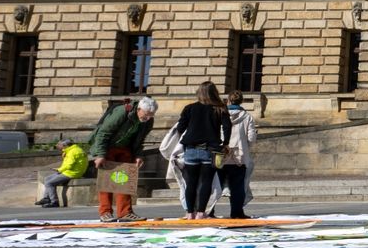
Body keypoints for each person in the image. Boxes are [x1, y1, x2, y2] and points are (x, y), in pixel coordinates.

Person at [167, 82, 232, 221]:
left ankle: (190, 213)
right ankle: (201, 213)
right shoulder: (220, 108)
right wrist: (226, 143)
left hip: (191, 148)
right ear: (214, 93)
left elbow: (180, 127)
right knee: (206, 182)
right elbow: (227, 127)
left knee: (191, 182)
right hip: (211, 149)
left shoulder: (189, 108)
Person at [85, 95, 156, 222]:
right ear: (139, 109)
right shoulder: (122, 112)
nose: (148, 118)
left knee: (125, 180)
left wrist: (138, 155)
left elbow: (140, 139)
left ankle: (125, 212)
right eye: (146, 114)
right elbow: (103, 133)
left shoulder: (148, 121)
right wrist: (100, 155)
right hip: (108, 147)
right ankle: (105, 212)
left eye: (151, 115)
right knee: (107, 181)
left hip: (126, 149)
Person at [218, 91, 258, 219]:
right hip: (239, 156)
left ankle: (209, 210)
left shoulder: (220, 115)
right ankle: (236, 212)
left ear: (228, 101)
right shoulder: (247, 116)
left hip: (221, 154)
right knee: (237, 186)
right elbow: (251, 138)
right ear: (241, 101)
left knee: (215, 184)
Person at [34, 141, 90, 209]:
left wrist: (59, 170)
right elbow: (70, 162)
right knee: (47, 178)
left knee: (50, 183)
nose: (58, 147)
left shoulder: (72, 152)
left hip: (72, 173)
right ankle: (46, 198)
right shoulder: (74, 149)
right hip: (71, 171)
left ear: (65, 145)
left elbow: (69, 165)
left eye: (60, 145)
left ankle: (54, 202)